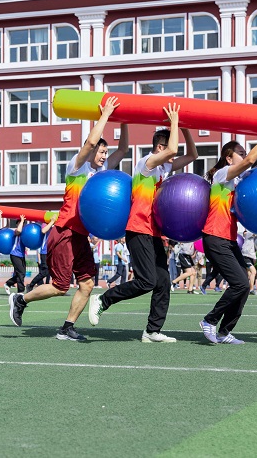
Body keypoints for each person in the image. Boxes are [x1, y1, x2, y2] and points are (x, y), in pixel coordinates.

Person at [8, 95, 128, 341]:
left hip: (81, 236)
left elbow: (124, 149)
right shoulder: (77, 166)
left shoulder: (101, 174)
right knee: (60, 287)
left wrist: (125, 120)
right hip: (65, 231)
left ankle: (67, 328)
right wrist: (105, 115)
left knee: (87, 284)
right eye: (101, 151)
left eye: (106, 152)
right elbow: (90, 141)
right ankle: (21, 299)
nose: (104, 156)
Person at [88, 102, 198, 343]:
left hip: (154, 232)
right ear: (159, 147)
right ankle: (103, 299)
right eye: (168, 148)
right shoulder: (146, 164)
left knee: (163, 282)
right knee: (147, 281)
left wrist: (185, 129)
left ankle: (152, 331)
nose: (173, 153)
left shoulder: (164, 168)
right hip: (138, 229)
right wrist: (175, 121)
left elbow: (192, 156)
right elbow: (173, 150)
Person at [197, 117, 257, 344]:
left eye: (244, 153)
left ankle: (224, 331)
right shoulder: (222, 174)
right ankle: (209, 320)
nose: (245, 156)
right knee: (241, 283)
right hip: (214, 236)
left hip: (228, 239)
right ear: (228, 158)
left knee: (245, 284)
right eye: (240, 153)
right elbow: (251, 160)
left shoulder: (239, 179)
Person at [25, 218, 57, 292]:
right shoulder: (45, 224)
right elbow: (43, 231)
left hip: (52, 253)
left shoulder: (54, 227)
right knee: (44, 272)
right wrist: (51, 222)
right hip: (45, 252)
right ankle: (30, 285)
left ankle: (59, 287)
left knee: (55, 270)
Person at [4, 215, 29, 296]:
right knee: (21, 273)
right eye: (20, 223)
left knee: (22, 273)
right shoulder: (15, 232)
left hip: (21, 255)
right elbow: (18, 230)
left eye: (23, 223)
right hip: (15, 254)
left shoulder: (25, 234)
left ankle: (8, 283)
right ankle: (20, 291)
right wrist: (21, 221)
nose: (22, 224)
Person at [241, 230, 257, 295]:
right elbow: (254, 233)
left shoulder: (253, 238)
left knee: (249, 273)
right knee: (254, 272)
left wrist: (254, 258)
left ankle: (248, 289)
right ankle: (251, 289)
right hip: (246, 256)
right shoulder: (248, 234)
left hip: (250, 256)